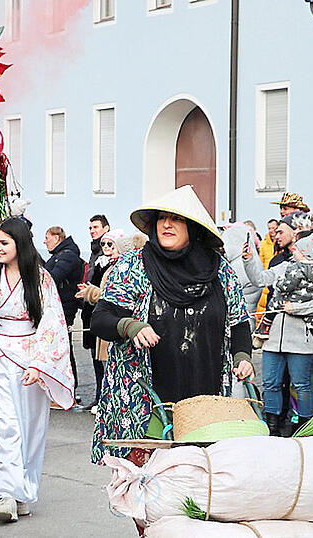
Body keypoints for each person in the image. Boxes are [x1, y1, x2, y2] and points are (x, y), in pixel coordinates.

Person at [90, 186, 254, 465]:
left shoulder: (218, 270)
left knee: (200, 479)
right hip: (146, 401)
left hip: (206, 399)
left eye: (176, 218)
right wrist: (131, 326)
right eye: (161, 218)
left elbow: (239, 322)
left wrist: (242, 357)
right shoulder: (133, 267)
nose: (166, 224)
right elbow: (101, 319)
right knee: (153, 489)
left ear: (192, 226)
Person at [0, 218, 75, 523]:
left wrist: (40, 363)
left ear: (20, 244)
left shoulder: (41, 278)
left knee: (30, 428)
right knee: (3, 425)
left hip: (29, 357)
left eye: (4, 243)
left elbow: (52, 322)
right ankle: (7, 494)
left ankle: (24, 491)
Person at [243, 220, 313, 436]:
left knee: (301, 384)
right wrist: (250, 259)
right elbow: (261, 279)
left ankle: (305, 428)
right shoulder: (285, 266)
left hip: (302, 337)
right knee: (270, 382)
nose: (292, 248)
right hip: (274, 335)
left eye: (297, 245)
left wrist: (296, 308)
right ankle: (272, 426)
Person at [76, 233, 146, 409]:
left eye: (112, 244)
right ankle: (103, 399)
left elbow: (113, 296)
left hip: (121, 327)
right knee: (105, 367)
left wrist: (91, 292)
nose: (108, 248)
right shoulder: (109, 266)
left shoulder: (126, 269)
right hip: (109, 323)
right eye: (105, 244)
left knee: (118, 369)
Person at [78, 214, 111, 406]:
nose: (92, 231)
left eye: (96, 227)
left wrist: (90, 292)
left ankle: (103, 399)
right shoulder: (94, 252)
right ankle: (99, 398)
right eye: (90, 227)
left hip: (101, 312)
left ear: (106, 228)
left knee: (102, 360)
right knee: (95, 359)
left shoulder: (106, 255)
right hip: (90, 311)